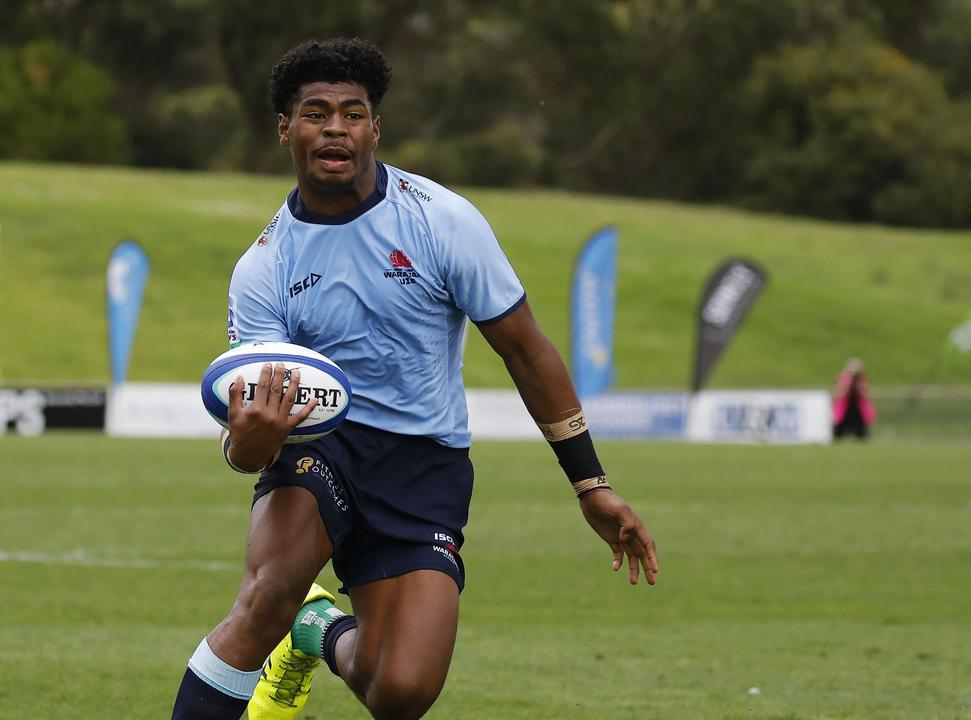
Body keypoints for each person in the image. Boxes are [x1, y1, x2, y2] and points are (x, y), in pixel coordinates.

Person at [169, 38, 659, 720]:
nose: (335, 127)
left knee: (399, 692)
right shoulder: (264, 268)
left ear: (376, 128)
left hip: (424, 462)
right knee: (268, 593)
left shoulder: (442, 221)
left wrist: (591, 482)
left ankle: (317, 631)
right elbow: (248, 437)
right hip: (323, 446)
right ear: (286, 130)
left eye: (352, 113)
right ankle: (288, 615)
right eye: (315, 112)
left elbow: (525, 350)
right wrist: (249, 444)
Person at [832, 358, 875, 440]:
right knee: (839, 430)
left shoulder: (862, 379)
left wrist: (859, 389)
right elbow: (838, 393)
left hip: (858, 408)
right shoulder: (843, 378)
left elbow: (866, 393)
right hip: (845, 408)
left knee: (861, 432)